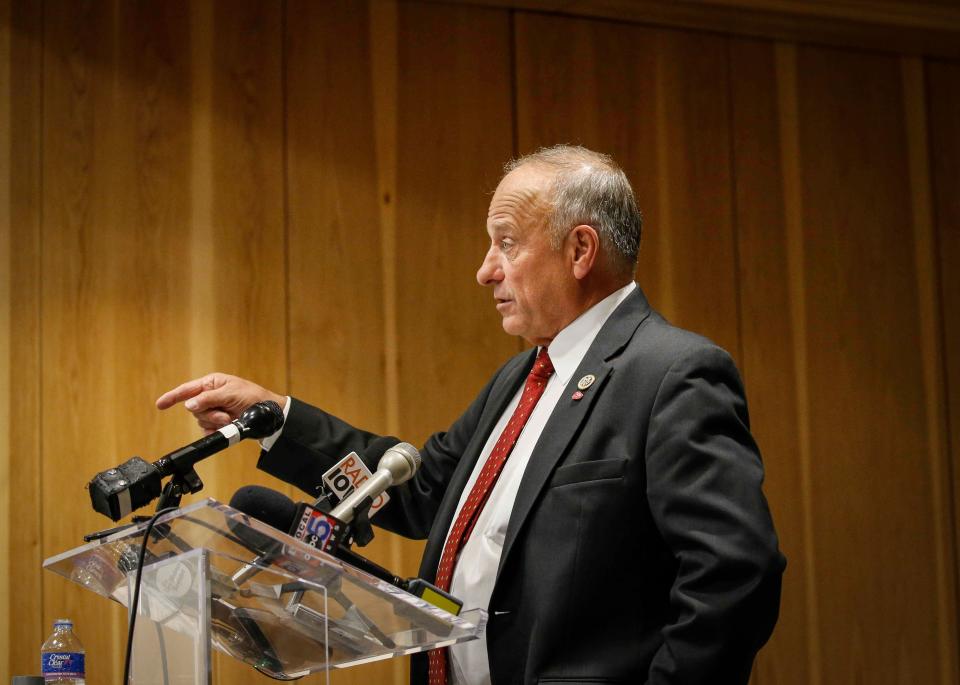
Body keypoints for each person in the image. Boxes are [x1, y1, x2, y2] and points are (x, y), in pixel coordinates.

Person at [157, 145, 785, 685]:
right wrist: (279, 419)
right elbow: (418, 490)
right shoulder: (518, 378)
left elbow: (734, 575)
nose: (486, 270)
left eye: (506, 244)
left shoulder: (672, 372)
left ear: (580, 249)